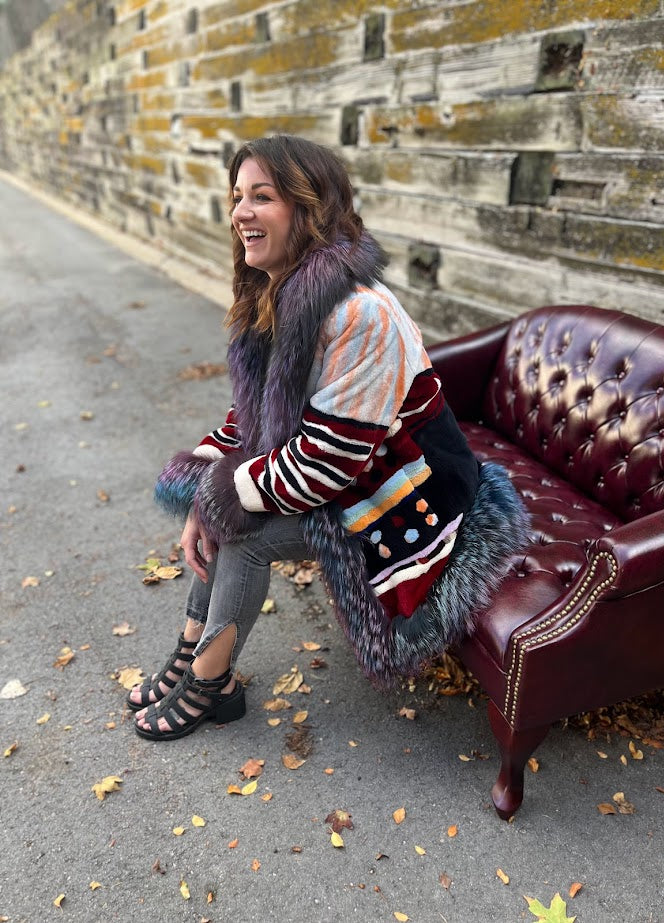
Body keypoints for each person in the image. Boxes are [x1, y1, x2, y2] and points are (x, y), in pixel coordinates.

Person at [129, 135, 529, 741]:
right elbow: (253, 418)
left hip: (406, 495)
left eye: (261, 197)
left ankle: (212, 684)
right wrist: (205, 488)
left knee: (246, 533)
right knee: (229, 510)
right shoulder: (277, 292)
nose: (240, 213)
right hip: (353, 473)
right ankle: (193, 656)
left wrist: (218, 498)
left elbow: (325, 463)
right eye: (237, 196)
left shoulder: (357, 312)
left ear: (309, 208)